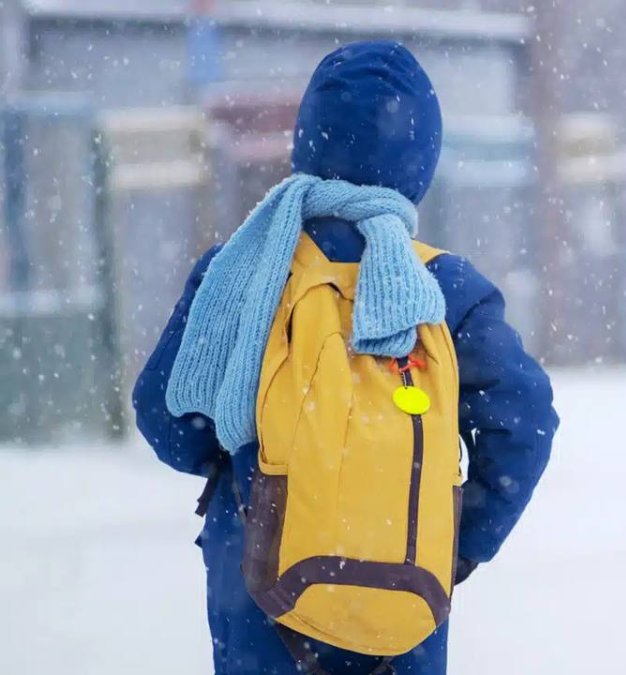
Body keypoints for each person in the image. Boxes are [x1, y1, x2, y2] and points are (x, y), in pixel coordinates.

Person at [132, 41, 558, 675]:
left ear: (307, 141)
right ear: (422, 161)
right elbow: (524, 426)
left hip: (260, 590)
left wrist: (253, 456)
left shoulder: (239, 273)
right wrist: (457, 542)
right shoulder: (444, 288)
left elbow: (170, 424)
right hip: (404, 592)